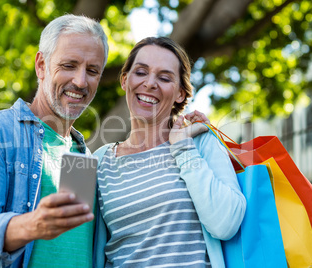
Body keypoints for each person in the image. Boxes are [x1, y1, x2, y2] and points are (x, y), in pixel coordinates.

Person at [0, 14, 109, 267]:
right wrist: (32, 225)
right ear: (41, 65)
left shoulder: (83, 156)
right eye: (69, 65)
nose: (81, 81)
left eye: (92, 71)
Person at [92, 37, 246, 267]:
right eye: (141, 72)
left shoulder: (199, 144)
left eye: (164, 78)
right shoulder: (100, 161)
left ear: (180, 94)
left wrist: (182, 147)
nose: (150, 83)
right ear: (125, 80)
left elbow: (226, 223)